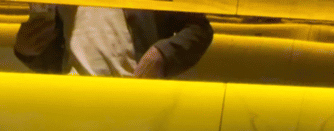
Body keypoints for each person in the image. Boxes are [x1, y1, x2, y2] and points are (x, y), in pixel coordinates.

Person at [14, 5, 213, 78]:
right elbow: (61, 55)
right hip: (74, 95)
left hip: (133, 95)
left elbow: (200, 30)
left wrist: (162, 54)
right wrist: (28, 51)